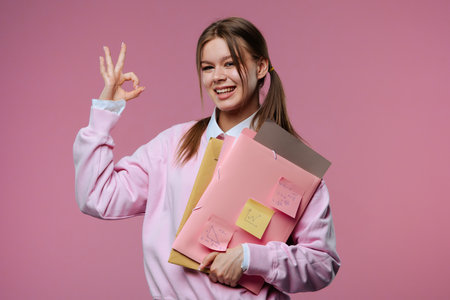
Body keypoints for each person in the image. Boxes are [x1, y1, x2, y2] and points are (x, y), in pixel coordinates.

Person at [73, 17, 340, 299]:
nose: (218, 76)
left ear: (260, 67)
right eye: (208, 67)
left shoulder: (292, 161)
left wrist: (251, 258)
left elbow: (322, 264)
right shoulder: (172, 145)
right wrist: (105, 112)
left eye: (230, 64)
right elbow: (97, 196)